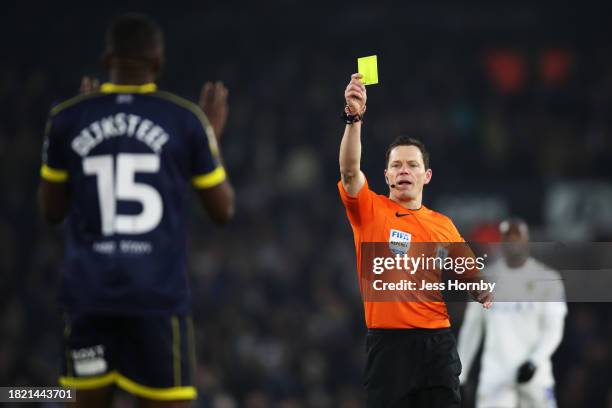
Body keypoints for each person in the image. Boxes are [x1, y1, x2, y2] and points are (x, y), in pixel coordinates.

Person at [38, 13, 234, 408]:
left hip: (88, 300)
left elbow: (51, 210)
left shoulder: (67, 118)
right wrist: (210, 139)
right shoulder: (186, 120)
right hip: (156, 302)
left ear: (106, 58)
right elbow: (222, 211)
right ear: (158, 64)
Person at [338, 73, 492, 408]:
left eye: (412, 164)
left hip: (436, 344)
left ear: (427, 175)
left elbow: (470, 272)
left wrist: (482, 289)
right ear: (387, 176)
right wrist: (354, 118)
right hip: (388, 349)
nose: (404, 170)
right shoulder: (369, 210)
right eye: (396, 165)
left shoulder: (443, 225)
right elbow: (350, 171)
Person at [457, 218, 567, 408]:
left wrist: (534, 361)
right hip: (496, 372)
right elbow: (471, 330)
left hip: (535, 373)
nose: (513, 243)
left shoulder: (548, 278)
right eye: (509, 238)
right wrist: (461, 374)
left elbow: (553, 329)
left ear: (527, 241)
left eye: (518, 237)